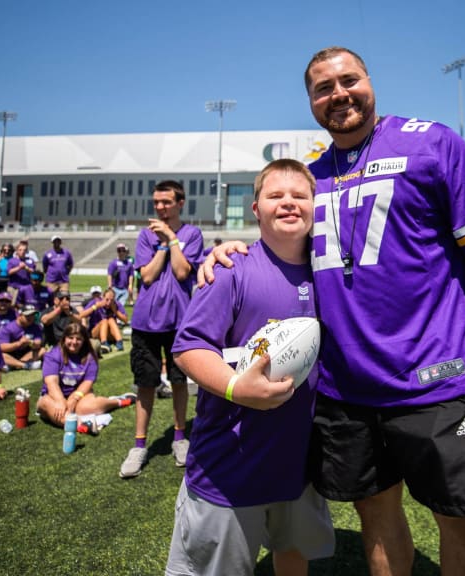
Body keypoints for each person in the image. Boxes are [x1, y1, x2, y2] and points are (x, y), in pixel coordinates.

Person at [205, 47, 465, 576]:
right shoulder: (312, 178)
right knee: (375, 513)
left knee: (462, 519)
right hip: (343, 391)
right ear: (311, 101)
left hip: (433, 381)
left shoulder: (432, 142)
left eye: (348, 80)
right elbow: (279, 244)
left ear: (370, 81)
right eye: (323, 88)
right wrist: (231, 249)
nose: (339, 95)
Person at [167, 159, 334, 575]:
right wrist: (236, 388)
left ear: (317, 206)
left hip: (299, 465)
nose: (289, 203)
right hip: (230, 464)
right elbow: (189, 346)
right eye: (275, 196)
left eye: (300, 195)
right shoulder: (230, 269)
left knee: (293, 555)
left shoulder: (329, 273)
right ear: (256, 209)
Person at [119, 180, 203, 477]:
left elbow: (182, 272)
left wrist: (172, 239)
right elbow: (148, 276)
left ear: (180, 202)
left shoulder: (193, 234)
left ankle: (180, 438)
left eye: (166, 202)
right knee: (146, 382)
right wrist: (165, 243)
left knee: (180, 381)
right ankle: (139, 445)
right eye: (156, 202)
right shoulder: (145, 236)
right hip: (146, 322)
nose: (160, 207)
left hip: (181, 321)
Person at [37, 322, 135, 432]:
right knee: (50, 407)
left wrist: (75, 398)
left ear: (84, 341)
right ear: (64, 338)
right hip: (53, 396)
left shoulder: (90, 357)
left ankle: (117, 401)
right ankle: (83, 425)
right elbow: (52, 383)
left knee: (85, 409)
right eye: (70, 338)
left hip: (79, 394)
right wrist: (60, 401)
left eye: (78, 339)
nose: (74, 342)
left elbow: (88, 382)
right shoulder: (53, 354)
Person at [0, 304, 45, 371]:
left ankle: (15, 365)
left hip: (25, 354)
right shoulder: (8, 328)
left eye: (33, 315)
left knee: (42, 350)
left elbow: (38, 343)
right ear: (20, 315)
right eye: (27, 315)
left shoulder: (36, 327)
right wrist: (19, 343)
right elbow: (1, 347)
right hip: (10, 354)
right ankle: (25, 365)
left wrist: (30, 342)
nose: (30, 317)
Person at [83, 287, 127, 354]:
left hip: (110, 334)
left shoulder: (116, 304)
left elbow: (125, 320)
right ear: (102, 297)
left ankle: (119, 342)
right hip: (96, 333)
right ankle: (104, 343)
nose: (109, 303)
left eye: (111, 300)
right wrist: (95, 307)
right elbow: (82, 315)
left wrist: (115, 311)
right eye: (107, 300)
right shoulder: (96, 302)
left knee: (111, 319)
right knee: (104, 321)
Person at [6, 240, 37, 306]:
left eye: (24, 250)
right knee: (12, 305)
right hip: (14, 287)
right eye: (20, 250)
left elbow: (33, 272)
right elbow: (9, 272)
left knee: (26, 305)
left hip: (26, 286)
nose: (22, 252)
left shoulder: (30, 260)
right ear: (16, 251)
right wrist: (19, 267)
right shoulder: (12, 260)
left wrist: (26, 268)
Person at [107, 244, 135, 312]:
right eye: (119, 251)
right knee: (114, 304)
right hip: (115, 288)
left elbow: (131, 275)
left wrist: (130, 285)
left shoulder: (129, 264)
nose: (121, 253)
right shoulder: (113, 263)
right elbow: (109, 274)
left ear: (125, 252)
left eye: (123, 251)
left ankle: (118, 318)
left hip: (124, 289)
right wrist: (110, 285)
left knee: (121, 304)